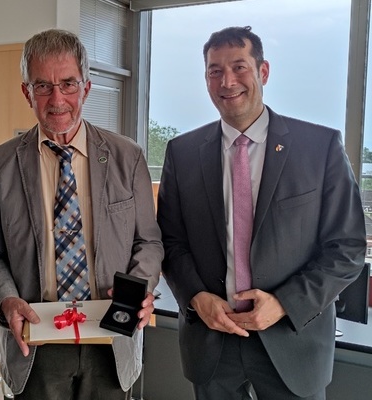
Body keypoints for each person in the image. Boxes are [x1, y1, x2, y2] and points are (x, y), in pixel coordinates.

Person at [157, 25, 366, 400]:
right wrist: (195, 296)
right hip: (212, 342)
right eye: (215, 70)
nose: (227, 81)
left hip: (292, 341)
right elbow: (171, 241)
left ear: (263, 71)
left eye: (239, 67)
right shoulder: (182, 153)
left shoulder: (319, 148)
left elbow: (347, 248)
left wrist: (286, 303)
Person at [0, 29, 163, 399]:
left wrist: (138, 289)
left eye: (68, 84)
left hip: (111, 340)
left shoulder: (127, 157)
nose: (57, 99)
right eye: (43, 86)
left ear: (87, 88)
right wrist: (4, 299)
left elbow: (149, 242)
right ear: (26, 92)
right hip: (35, 343)